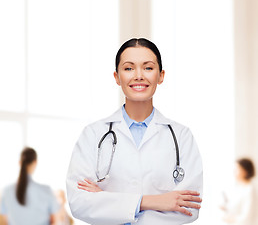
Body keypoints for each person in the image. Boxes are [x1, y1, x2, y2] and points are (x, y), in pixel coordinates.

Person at [66, 38, 203, 225]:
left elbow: (188, 208)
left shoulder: (181, 136)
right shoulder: (93, 134)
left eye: (148, 68)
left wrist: (108, 200)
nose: (138, 75)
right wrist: (151, 202)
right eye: (129, 68)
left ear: (161, 76)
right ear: (116, 77)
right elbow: (79, 203)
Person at [0, 147, 59, 225]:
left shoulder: (6, 191)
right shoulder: (46, 190)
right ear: (35, 162)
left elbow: (2, 222)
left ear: (19, 162)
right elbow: (54, 221)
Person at [220, 158, 257, 225]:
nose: (234, 171)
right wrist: (225, 207)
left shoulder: (250, 190)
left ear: (245, 171)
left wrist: (231, 219)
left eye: (237, 169)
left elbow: (247, 216)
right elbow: (236, 206)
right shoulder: (239, 187)